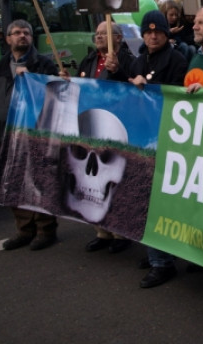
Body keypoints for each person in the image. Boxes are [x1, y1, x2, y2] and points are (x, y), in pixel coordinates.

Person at [0, 20, 60, 251]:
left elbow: (57, 96)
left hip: (36, 133)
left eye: (26, 32)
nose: (22, 36)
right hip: (6, 133)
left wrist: (32, 80)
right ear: (7, 39)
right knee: (15, 183)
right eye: (16, 33)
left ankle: (45, 230)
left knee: (38, 182)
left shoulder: (43, 64)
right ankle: (24, 230)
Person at [126, 9, 189, 288]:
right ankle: (156, 252)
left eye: (158, 31)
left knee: (160, 200)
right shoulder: (138, 61)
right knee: (144, 197)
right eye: (148, 31)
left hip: (166, 137)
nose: (153, 35)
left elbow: (177, 95)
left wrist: (148, 87)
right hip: (142, 136)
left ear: (166, 33)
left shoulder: (177, 60)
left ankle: (163, 262)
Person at [78, 21, 135, 254]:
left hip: (117, 126)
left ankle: (120, 232)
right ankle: (101, 231)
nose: (99, 37)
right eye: (97, 34)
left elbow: (135, 88)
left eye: (105, 34)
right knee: (93, 178)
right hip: (92, 126)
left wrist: (119, 70)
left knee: (114, 179)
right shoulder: (89, 60)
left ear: (118, 38)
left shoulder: (129, 60)